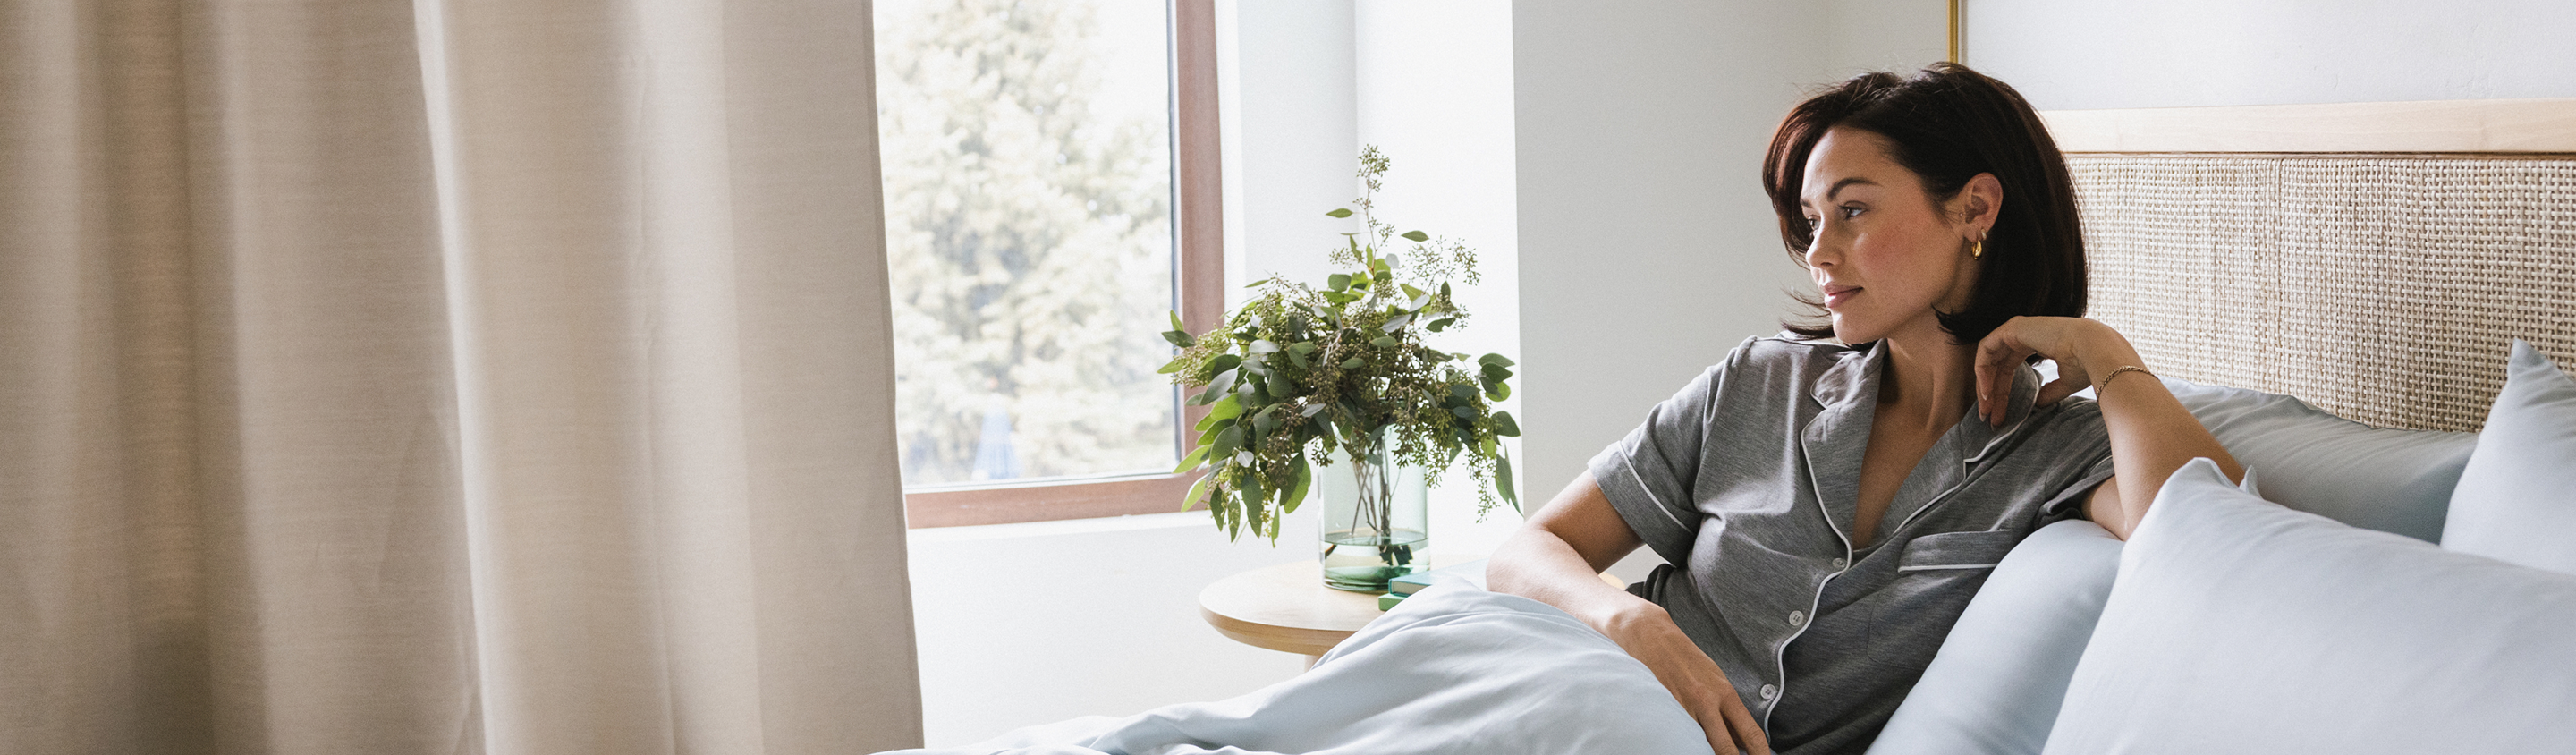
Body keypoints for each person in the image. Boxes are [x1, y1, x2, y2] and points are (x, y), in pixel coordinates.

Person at [1486, 63, 2244, 755]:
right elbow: (1527, 551)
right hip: (1579, 704)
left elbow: (2214, 545)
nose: (1817, 251)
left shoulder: (2059, 453)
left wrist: (2108, 353)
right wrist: (1631, 620)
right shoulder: (1757, 382)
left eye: (1851, 211)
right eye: (1812, 220)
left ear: (1975, 208)